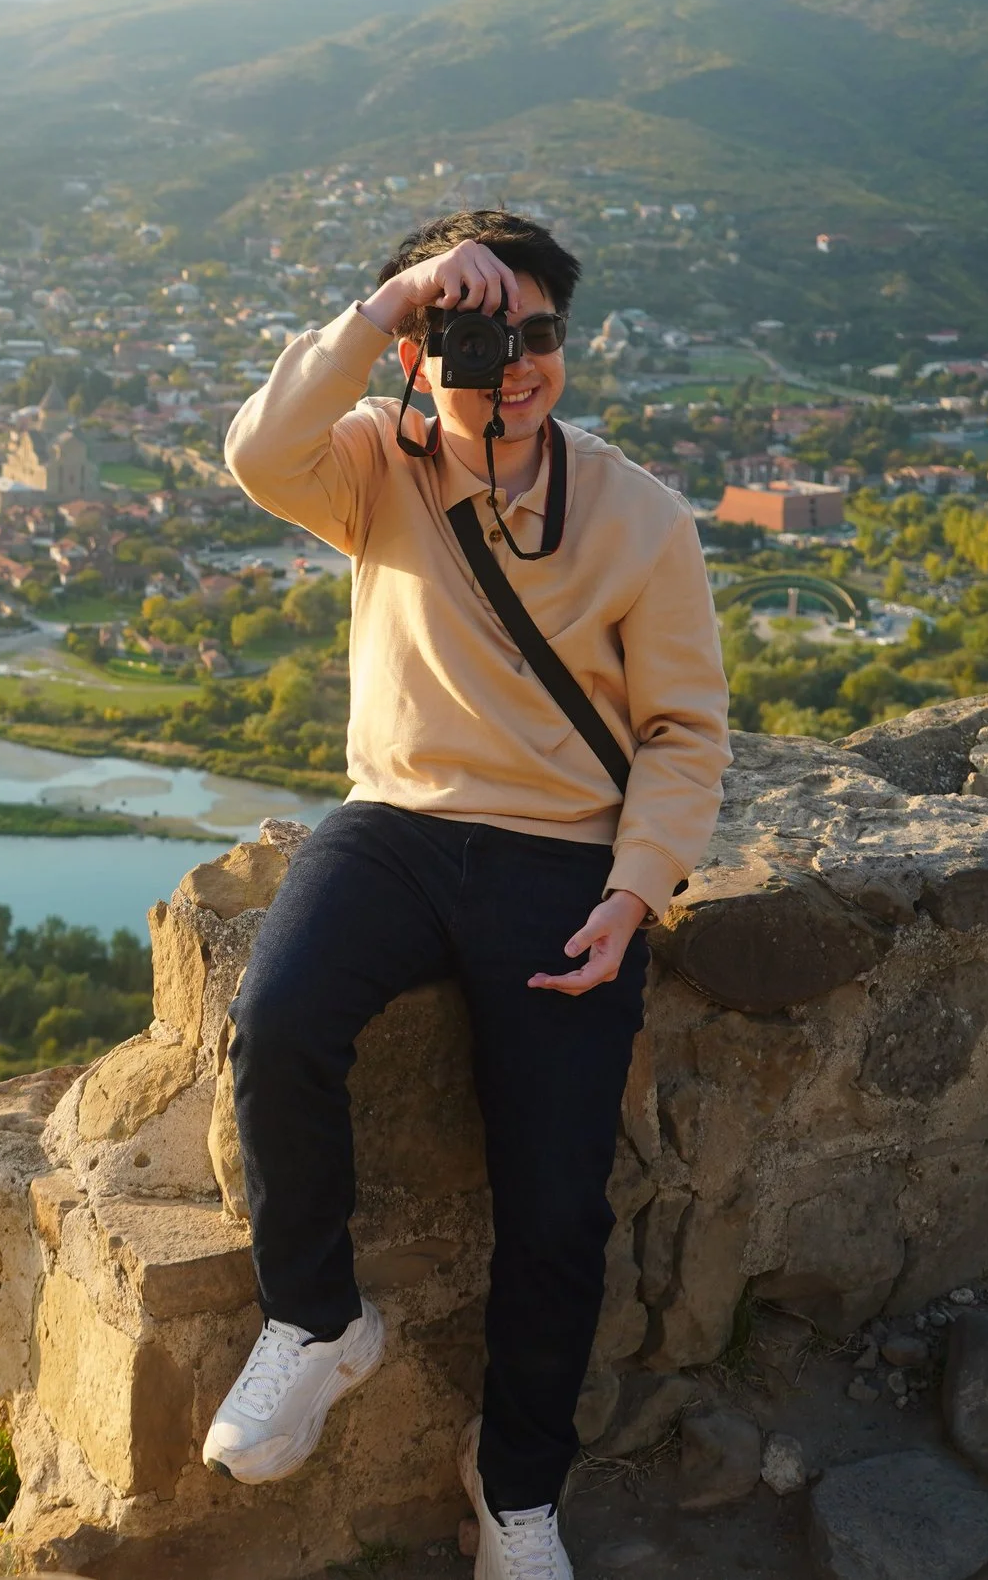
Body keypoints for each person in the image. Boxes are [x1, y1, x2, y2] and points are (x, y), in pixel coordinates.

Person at [199, 210, 731, 1579]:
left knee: (557, 1207)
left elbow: (682, 731)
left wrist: (638, 889)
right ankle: (319, 1320)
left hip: (563, 856)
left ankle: (515, 1494)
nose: (518, 364)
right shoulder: (378, 460)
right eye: (483, 335)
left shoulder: (637, 513)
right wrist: (389, 306)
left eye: (540, 335)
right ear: (426, 347)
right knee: (280, 1021)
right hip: (397, 824)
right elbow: (257, 451)